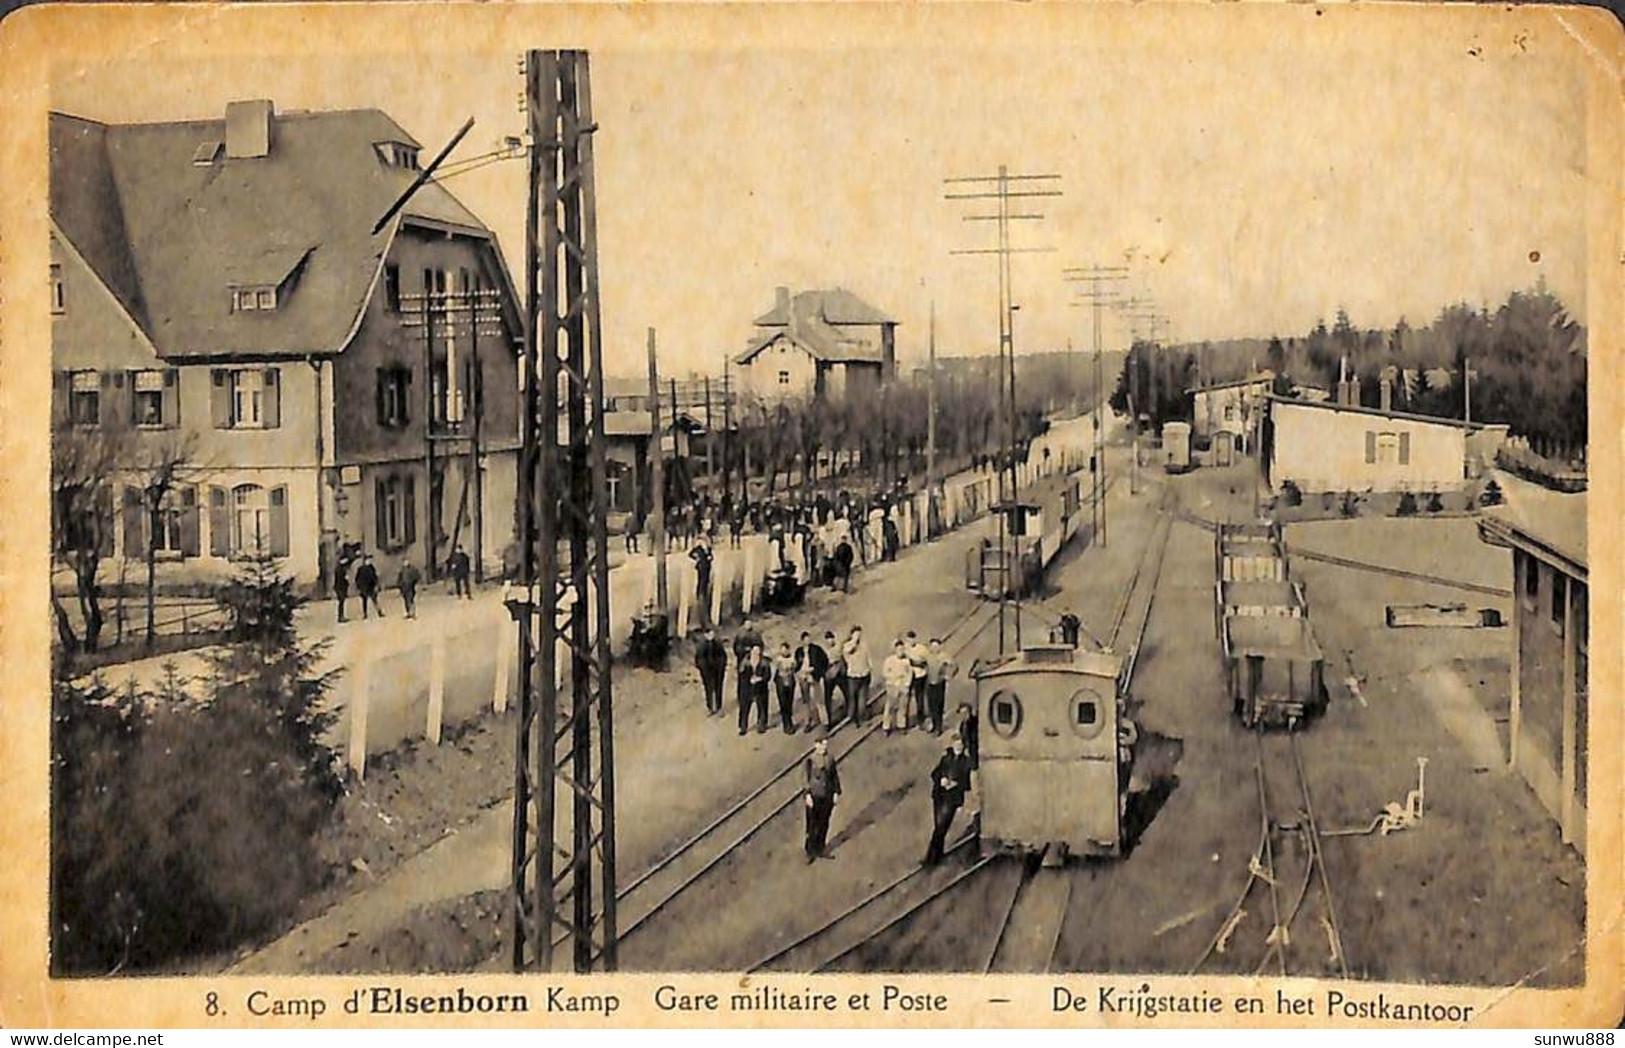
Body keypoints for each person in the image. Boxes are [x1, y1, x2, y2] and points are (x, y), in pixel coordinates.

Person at [924, 734, 972, 865]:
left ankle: (930, 858)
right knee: (939, 828)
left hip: (952, 799)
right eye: (957, 745)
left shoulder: (966, 763)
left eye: (961, 745)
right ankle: (938, 854)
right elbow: (934, 773)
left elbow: (967, 785)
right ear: (952, 745)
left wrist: (956, 784)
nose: (959, 747)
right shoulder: (946, 759)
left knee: (940, 827)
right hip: (939, 796)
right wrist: (941, 780)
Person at [803, 735, 842, 862]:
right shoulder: (810, 760)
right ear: (816, 745)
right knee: (812, 825)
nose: (824, 748)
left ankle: (820, 848)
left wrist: (836, 792)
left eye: (826, 745)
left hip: (827, 795)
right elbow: (805, 779)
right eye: (822, 745)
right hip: (814, 796)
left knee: (824, 823)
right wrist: (808, 795)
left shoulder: (830, 758)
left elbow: (834, 776)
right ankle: (810, 851)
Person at [796, 630, 832, 732]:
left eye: (809, 639)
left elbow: (825, 661)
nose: (808, 641)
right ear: (802, 641)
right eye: (805, 639)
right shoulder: (799, 651)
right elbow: (796, 664)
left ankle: (825, 722)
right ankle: (807, 722)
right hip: (803, 677)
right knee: (805, 701)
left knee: (819, 700)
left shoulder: (817, 649)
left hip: (814, 676)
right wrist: (799, 672)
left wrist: (817, 671)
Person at [924, 637, 959, 734]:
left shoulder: (944, 656)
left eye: (936, 646)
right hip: (930, 683)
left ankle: (938, 728)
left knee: (938, 706)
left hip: (939, 683)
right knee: (931, 706)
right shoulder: (928, 656)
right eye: (932, 646)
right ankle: (934, 726)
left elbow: (955, 665)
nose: (934, 648)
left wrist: (948, 675)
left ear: (939, 647)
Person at [694, 625, 729, 715]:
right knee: (708, 689)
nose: (711, 635)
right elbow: (698, 659)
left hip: (717, 669)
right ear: (705, 634)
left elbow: (723, 656)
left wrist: (722, 666)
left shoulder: (718, 643)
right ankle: (709, 707)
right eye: (709, 634)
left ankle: (719, 707)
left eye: (712, 633)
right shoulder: (701, 645)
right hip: (707, 671)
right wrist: (703, 668)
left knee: (718, 688)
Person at [882, 640, 913, 736]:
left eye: (902, 649)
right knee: (889, 708)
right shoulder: (889, 660)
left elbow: (910, 674)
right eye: (898, 649)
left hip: (903, 687)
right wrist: (894, 676)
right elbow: (885, 673)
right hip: (892, 686)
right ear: (895, 650)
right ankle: (886, 727)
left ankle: (901, 726)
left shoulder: (906, 661)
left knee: (902, 707)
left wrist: (907, 685)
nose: (900, 651)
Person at [738, 644, 771, 735]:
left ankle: (761, 725)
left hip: (761, 688)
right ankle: (743, 727)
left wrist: (760, 679)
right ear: (751, 651)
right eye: (755, 651)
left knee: (762, 707)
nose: (757, 653)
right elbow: (741, 674)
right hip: (747, 688)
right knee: (744, 708)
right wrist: (749, 679)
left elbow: (768, 676)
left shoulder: (764, 662)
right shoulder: (745, 661)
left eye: (758, 651)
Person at [843, 625, 872, 725]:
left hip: (864, 675)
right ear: (852, 635)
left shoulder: (864, 645)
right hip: (853, 677)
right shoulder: (847, 645)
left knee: (862, 699)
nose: (858, 636)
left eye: (859, 634)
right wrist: (854, 641)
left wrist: (869, 670)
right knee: (852, 698)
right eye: (856, 634)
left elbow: (867, 658)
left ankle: (861, 717)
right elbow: (848, 650)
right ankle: (852, 717)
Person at [773, 640, 800, 734]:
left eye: (786, 650)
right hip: (781, 683)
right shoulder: (778, 659)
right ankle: (786, 724)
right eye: (782, 650)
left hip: (790, 682)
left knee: (789, 703)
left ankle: (790, 722)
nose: (784, 652)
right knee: (783, 703)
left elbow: (795, 669)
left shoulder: (792, 659)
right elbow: (775, 671)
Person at [822, 629, 847, 723]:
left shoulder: (838, 648)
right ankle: (829, 720)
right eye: (828, 639)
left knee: (847, 693)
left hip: (840, 674)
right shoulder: (824, 651)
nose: (830, 641)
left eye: (831, 638)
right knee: (827, 698)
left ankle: (852, 712)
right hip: (829, 676)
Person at [906, 630, 930, 728]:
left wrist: (917, 662)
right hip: (909, 676)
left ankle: (920, 718)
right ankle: (906, 720)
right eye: (908, 639)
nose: (910, 641)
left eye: (912, 639)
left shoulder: (921, 648)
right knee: (906, 697)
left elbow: (927, 660)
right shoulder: (905, 648)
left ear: (915, 639)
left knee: (919, 697)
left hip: (920, 676)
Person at [689, 539, 714, 628]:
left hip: (706, 568)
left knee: (705, 581)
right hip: (701, 567)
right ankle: (700, 593)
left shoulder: (708, 549)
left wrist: (708, 555)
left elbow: (711, 557)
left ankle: (702, 593)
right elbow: (690, 554)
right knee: (701, 582)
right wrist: (697, 558)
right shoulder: (698, 549)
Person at [954, 701, 980, 770]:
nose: (963, 716)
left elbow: (974, 737)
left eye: (965, 713)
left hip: (974, 750)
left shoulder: (974, 722)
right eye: (962, 714)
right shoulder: (962, 725)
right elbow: (963, 737)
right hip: (967, 751)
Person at [333, 557, 351, 623]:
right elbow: (341, 579)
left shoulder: (340, 568)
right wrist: (346, 578)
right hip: (340, 587)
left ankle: (341, 616)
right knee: (341, 602)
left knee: (341, 602)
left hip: (340, 587)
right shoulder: (340, 569)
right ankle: (341, 617)